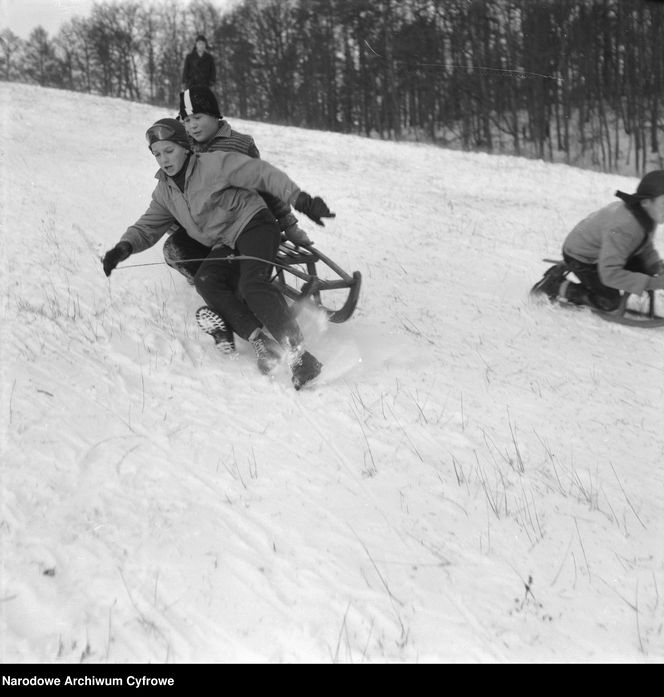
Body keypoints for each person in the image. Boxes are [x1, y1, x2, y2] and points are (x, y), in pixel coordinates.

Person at [101, 118, 335, 390]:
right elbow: (147, 226)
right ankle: (262, 342)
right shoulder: (165, 192)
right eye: (156, 153)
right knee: (206, 281)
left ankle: (301, 357)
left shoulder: (213, 165)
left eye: (169, 151)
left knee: (252, 284)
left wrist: (301, 199)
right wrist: (123, 248)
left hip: (254, 224)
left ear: (184, 147)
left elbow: (261, 172)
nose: (163, 159)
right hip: (226, 241)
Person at [531, 170, 664, 311]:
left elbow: (643, 244)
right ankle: (555, 284)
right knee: (609, 302)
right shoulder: (624, 227)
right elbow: (610, 274)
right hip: (581, 257)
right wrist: (652, 283)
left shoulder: (648, 215)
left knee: (646, 269)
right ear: (645, 202)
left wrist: (656, 265)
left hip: (607, 250)